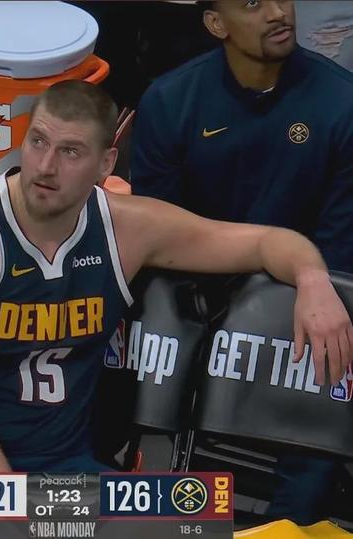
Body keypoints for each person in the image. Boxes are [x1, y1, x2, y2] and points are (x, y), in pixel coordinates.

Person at [0, 80, 352, 537]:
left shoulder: (125, 228)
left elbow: (266, 242)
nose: (45, 166)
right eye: (37, 142)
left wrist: (312, 279)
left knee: (193, 516)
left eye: (70, 152)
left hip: (56, 478)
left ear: (105, 164)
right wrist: (25, 524)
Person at [128, 0, 353, 525]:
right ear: (216, 23)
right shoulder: (170, 101)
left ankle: (290, 527)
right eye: (252, 3)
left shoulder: (342, 103)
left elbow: (340, 251)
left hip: (303, 301)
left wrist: (299, 290)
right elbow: (157, 233)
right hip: (192, 297)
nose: (278, 12)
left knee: (331, 364)